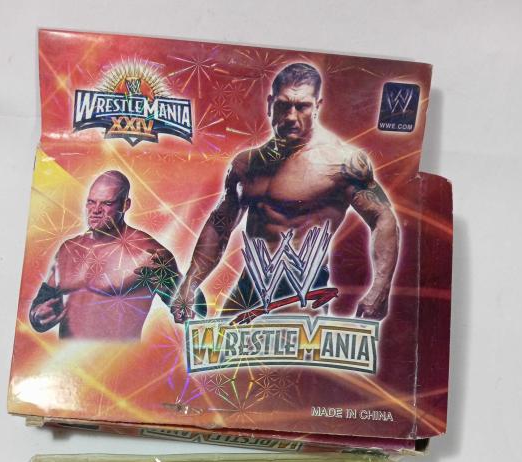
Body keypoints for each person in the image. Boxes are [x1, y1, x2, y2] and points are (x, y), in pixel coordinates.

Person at [171, 62, 399, 322]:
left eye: (302, 106)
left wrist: (381, 287)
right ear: (270, 103)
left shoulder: (342, 162)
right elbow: (220, 224)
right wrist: (190, 283)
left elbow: (383, 217)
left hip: (300, 290)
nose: (291, 116)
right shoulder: (247, 164)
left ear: (317, 106)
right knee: (220, 348)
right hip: (248, 287)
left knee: (283, 351)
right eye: (283, 105)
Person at [30, 170, 182, 339]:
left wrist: (183, 307)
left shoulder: (148, 253)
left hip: (119, 356)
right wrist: (38, 316)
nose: (96, 210)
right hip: (66, 356)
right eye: (91, 202)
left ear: (125, 205)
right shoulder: (69, 249)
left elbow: (192, 307)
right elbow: (41, 305)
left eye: (107, 203)